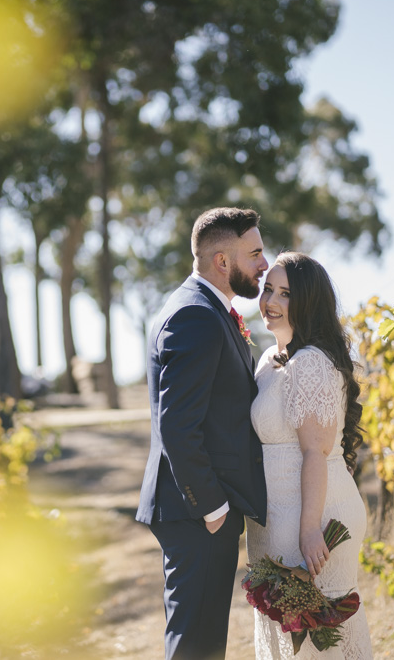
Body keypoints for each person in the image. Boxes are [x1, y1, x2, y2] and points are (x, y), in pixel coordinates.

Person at [137, 206, 270, 659]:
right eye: (255, 253)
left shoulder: (205, 309)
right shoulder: (196, 316)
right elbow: (178, 423)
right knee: (196, 644)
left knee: (205, 639)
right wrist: (212, 507)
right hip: (197, 511)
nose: (264, 264)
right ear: (222, 262)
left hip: (200, 510)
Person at [244, 251, 373, 659]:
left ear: (308, 303)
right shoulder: (268, 361)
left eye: (286, 293)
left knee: (318, 642)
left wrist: (309, 529)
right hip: (275, 518)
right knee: (287, 639)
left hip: (313, 516)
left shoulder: (311, 362)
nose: (271, 301)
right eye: (268, 290)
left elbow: (316, 453)